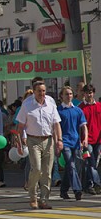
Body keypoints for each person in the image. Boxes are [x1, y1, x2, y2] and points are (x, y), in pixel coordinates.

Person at [16, 79, 62, 210]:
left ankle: (44, 200)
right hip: (33, 140)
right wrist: (19, 142)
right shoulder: (27, 104)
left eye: (43, 91)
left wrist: (59, 140)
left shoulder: (51, 103)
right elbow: (20, 126)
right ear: (34, 92)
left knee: (47, 172)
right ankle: (33, 197)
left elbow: (56, 123)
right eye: (39, 91)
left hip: (48, 140)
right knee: (36, 169)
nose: (42, 94)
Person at [57, 86, 87, 201]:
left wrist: (85, 139)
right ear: (61, 96)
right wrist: (57, 142)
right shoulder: (58, 110)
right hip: (64, 142)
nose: (69, 96)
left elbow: (83, 126)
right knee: (71, 165)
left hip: (76, 142)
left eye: (70, 94)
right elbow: (55, 127)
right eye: (66, 94)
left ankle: (63, 190)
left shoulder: (78, 110)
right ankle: (77, 190)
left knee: (73, 167)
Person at [79, 84, 101, 195]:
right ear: (84, 93)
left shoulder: (99, 106)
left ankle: (87, 184)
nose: (89, 94)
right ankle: (96, 183)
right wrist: (80, 140)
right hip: (87, 140)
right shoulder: (81, 108)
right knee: (90, 161)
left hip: (98, 140)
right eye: (87, 92)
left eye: (91, 92)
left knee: (92, 163)